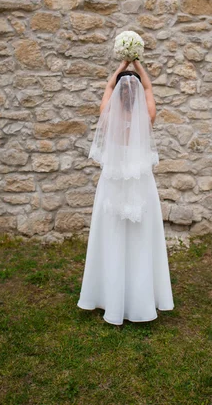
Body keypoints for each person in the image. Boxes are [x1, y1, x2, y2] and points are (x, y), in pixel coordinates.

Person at [77, 58, 175, 325]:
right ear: (139, 98)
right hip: (140, 186)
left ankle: (111, 297)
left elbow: (110, 87)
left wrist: (121, 67)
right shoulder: (147, 118)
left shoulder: (107, 115)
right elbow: (149, 90)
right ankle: (138, 299)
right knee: (140, 240)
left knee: (113, 237)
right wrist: (138, 66)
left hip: (112, 186)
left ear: (119, 95)